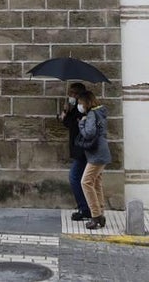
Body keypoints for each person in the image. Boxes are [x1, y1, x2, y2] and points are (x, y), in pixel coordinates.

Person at [77, 88, 111, 230]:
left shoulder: (91, 114)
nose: (79, 105)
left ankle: (96, 216)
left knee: (85, 182)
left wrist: (81, 124)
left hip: (97, 154)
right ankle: (100, 214)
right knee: (96, 183)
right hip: (102, 152)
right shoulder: (100, 112)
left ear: (86, 102)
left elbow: (89, 133)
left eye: (80, 102)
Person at [58, 82, 92, 221]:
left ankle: (85, 208)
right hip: (77, 149)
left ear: (78, 95)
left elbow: (78, 127)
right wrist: (66, 111)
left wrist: (71, 115)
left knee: (75, 177)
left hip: (82, 150)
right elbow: (68, 123)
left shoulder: (83, 110)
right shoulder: (75, 109)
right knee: (83, 179)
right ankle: (87, 208)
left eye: (72, 93)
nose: (70, 96)